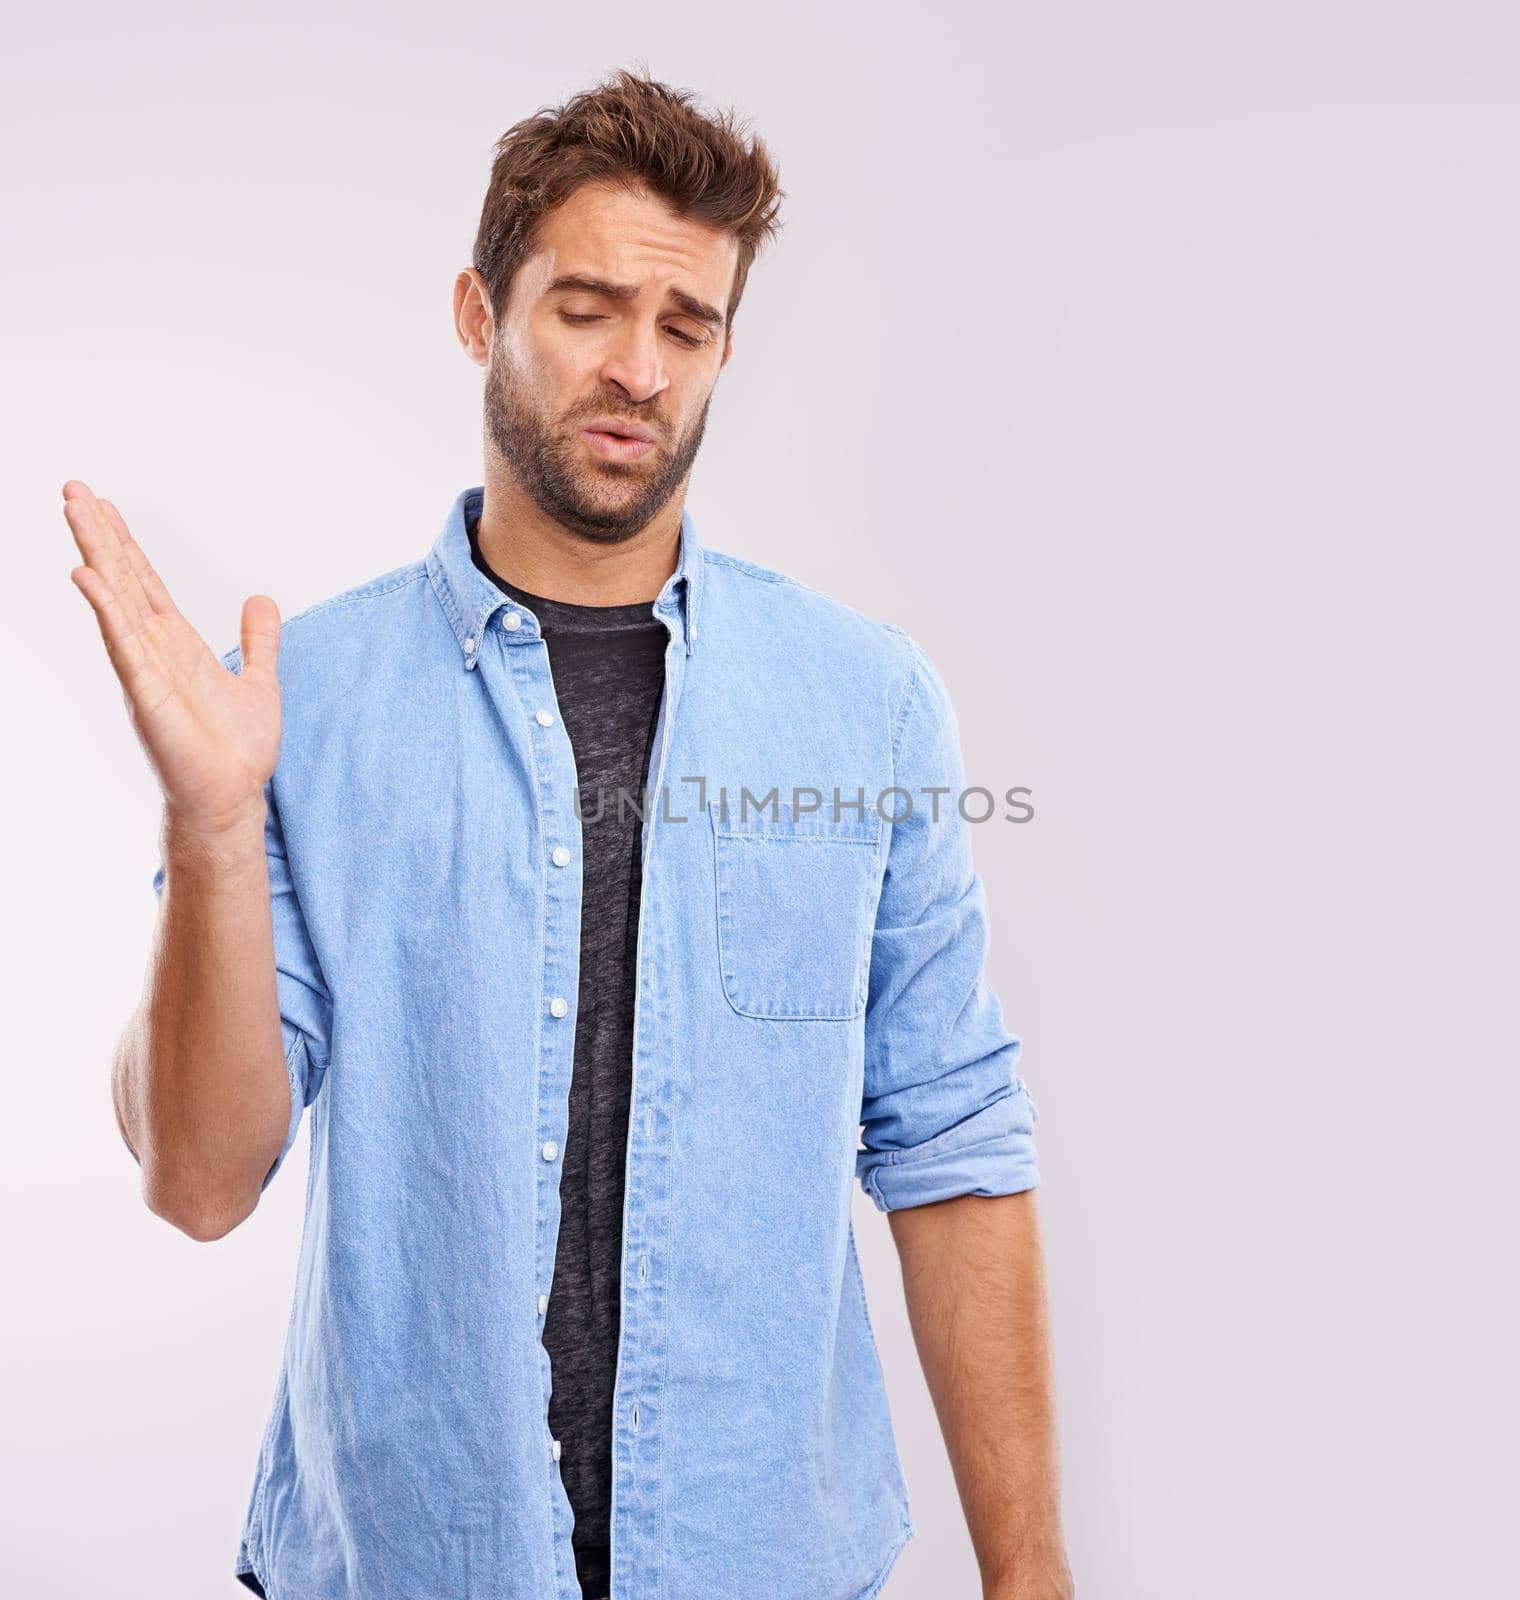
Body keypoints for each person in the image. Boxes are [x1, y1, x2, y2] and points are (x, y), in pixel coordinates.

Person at [65, 68, 1073, 1600]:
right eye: (589, 309)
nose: (641, 372)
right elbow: (200, 1180)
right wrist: (212, 825)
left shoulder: (863, 705)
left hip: (766, 1561)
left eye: (690, 327)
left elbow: (950, 1148)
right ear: (480, 313)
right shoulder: (305, 705)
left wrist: (1033, 1576)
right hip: (407, 1564)